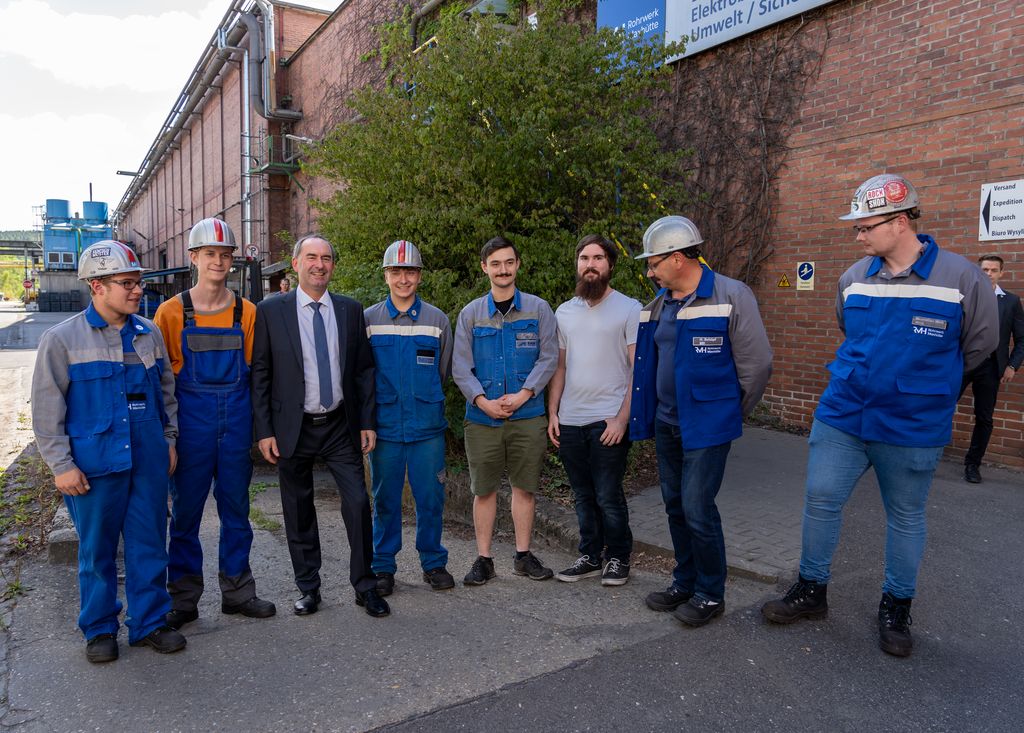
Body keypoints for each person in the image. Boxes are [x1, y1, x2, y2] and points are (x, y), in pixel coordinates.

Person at [761, 174, 998, 657]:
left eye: (865, 226)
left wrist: (929, 387)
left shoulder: (961, 278)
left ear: (901, 221)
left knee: (906, 517)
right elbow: (847, 329)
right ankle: (811, 591)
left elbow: (980, 346)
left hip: (912, 425)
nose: (858, 236)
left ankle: (896, 608)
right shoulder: (853, 278)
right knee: (821, 500)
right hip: (843, 415)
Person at [32, 240, 186, 662]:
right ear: (97, 286)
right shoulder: (61, 340)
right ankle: (99, 628)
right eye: (127, 283)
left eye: (137, 283)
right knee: (97, 550)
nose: (137, 291)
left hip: (148, 458)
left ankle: (150, 622)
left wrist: (169, 441)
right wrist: (61, 466)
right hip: (94, 462)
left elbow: (165, 395)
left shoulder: (148, 332)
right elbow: (47, 411)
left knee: (150, 543)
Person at [630, 216, 772, 627]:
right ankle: (684, 581)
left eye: (653, 262)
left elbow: (757, 365)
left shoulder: (731, 294)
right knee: (675, 505)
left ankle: (711, 593)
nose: (649, 270)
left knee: (696, 506)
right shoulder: (660, 302)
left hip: (707, 426)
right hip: (667, 421)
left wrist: (729, 411)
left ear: (677, 258)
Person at [251, 234, 389, 618]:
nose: (320, 264)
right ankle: (308, 588)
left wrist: (366, 422)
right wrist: (264, 430)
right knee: (298, 508)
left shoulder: (349, 310)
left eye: (326, 258)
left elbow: (363, 371)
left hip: (339, 425)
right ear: (295, 264)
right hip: (291, 426)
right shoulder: (270, 311)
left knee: (359, 504)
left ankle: (365, 586)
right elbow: (260, 373)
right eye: (311, 257)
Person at [154, 218, 276, 629]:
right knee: (185, 515)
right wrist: (168, 437)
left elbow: (258, 376)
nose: (219, 262)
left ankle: (238, 592)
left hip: (236, 425)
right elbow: (162, 382)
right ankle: (184, 599)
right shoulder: (170, 313)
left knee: (237, 511)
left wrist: (261, 432)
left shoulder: (247, 311)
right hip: (191, 427)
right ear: (194, 258)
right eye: (211, 254)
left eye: (225, 255)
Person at [453, 236, 558, 585]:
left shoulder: (539, 309)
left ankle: (523, 556)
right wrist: (482, 401)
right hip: (482, 418)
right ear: (485, 268)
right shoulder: (470, 314)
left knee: (524, 487)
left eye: (508, 262)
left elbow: (549, 357)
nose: (503, 269)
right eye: (495, 263)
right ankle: (484, 559)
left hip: (527, 416)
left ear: (517, 265)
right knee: (483, 490)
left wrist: (525, 394)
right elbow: (460, 367)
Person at [547, 234, 641, 586]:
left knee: (608, 495)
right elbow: (560, 367)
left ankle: (618, 558)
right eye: (584, 258)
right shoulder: (564, 311)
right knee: (583, 495)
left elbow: (638, 370)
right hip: (570, 420)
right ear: (577, 264)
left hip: (607, 422)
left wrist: (622, 419)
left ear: (610, 265)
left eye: (598, 258)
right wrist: (553, 412)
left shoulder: (630, 309)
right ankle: (589, 554)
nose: (590, 264)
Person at [364, 240, 455, 595]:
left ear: (419, 276)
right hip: (384, 428)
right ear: (386, 275)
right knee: (384, 499)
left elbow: (443, 372)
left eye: (410, 272)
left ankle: (433, 563)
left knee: (430, 497)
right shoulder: (368, 320)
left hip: (427, 428)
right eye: (396, 271)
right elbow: (362, 375)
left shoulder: (437, 321)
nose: (404, 279)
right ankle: (383, 566)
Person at [958, 255, 1024, 483]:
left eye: (993, 270)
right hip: (963, 363)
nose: (988, 274)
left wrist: (1012, 365)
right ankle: (928, 455)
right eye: (984, 269)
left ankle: (973, 464)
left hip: (991, 366)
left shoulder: (1012, 301)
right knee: (941, 407)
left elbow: (1021, 339)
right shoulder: (964, 296)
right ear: (978, 272)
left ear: (1001, 273)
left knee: (984, 417)